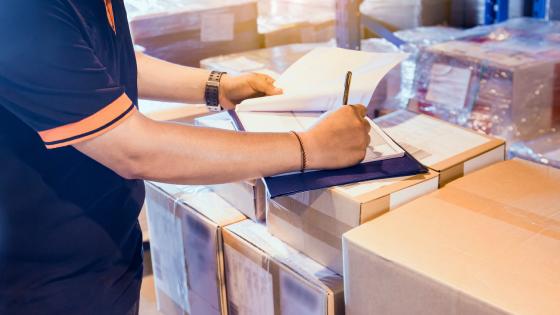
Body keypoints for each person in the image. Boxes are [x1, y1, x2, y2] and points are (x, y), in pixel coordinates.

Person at [0, 1, 371, 314]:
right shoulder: (21, 10)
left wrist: (216, 87)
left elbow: (93, 64)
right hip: (42, 282)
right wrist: (311, 147)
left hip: (105, 249)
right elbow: (136, 149)